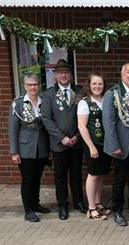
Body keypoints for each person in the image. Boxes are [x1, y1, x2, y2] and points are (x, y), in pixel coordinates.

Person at [41, 59, 85, 220]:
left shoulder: (80, 92)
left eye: (66, 72)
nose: (64, 75)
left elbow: (85, 116)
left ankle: (79, 201)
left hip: (76, 140)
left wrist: (76, 136)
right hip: (59, 144)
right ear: (56, 75)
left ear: (71, 75)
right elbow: (46, 118)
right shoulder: (48, 95)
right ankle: (62, 205)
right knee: (60, 175)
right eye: (60, 73)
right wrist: (62, 138)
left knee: (76, 173)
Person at [103, 63, 129, 226]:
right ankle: (117, 210)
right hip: (121, 144)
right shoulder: (112, 93)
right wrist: (114, 145)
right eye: (128, 72)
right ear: (122, 74)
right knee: (120, 179)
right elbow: (109, 122)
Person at [8, 73, 50, 222]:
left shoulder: (44, 101)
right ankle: (29, 210)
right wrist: (14, 152)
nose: (33, 87)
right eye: (30, 84)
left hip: (41, 147)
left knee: (37, 177)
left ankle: (36, 203)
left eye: (35, 84)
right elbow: (13, 129)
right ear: (25, 86)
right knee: (28, 179)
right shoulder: (18, 104)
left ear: (39, 86)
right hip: (25, 148)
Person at [77, 73, 111, 221]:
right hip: (93, 144)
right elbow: (82, 127)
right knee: (93, 174)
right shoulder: (84, 103)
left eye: (100, 84)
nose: (97, 87)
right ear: (89, 85)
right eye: (94, 84)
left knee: (101, 174)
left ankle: (98, 203)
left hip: (106, 144)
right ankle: (91, 207)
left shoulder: (106, 100)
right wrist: (91, 147)